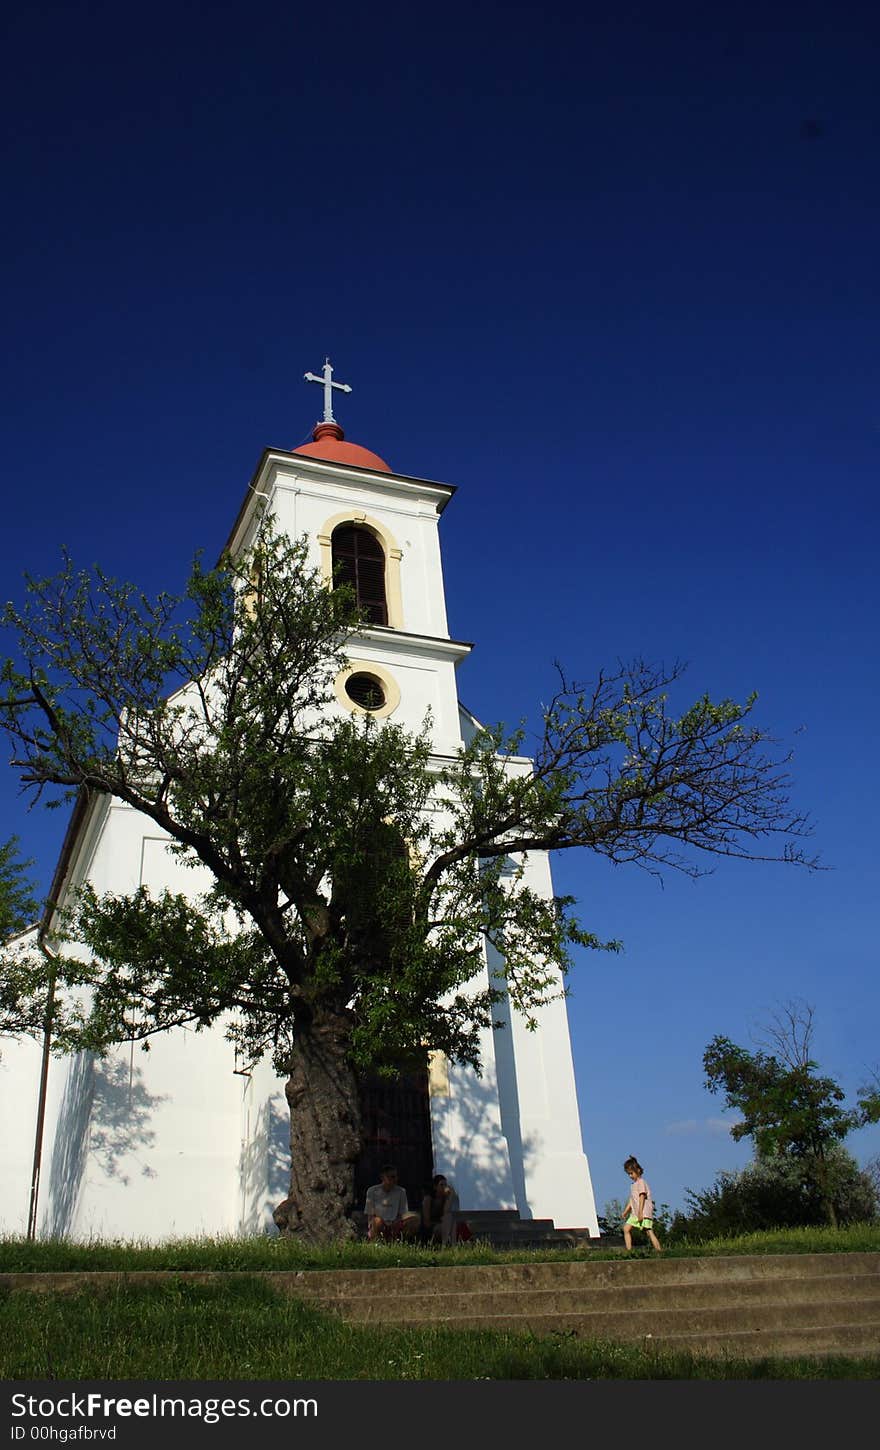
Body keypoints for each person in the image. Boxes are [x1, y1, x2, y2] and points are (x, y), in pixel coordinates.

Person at [364, 1165, 420, 1242]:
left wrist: (395, 1224)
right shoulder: (372, 1191)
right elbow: (370, 1215)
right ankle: (377, 1243)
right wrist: (372, 1226)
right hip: (380, 1224)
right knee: (377, 1221)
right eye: (392, 1177)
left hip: (394, 1224)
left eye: (396, 1176)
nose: (395, 1179)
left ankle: (401, 1241)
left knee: (415, 1219)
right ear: (382, 1177)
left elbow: (402, 1214)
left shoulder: (401, 1191)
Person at [621, 1155, 663, 1252]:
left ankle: (659, 1250)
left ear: (638, 1171)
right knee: (626, 1229)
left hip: (643, 1212)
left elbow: (642, 1197)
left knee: (648, 1231)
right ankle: (629, 1251)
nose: (630, 1176)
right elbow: (632, 1200)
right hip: (635, 1213)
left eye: (631, 1173)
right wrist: (625, 1212)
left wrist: (640, 1213)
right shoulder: (633, 1185)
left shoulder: (641, 1182)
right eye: (628, 1174)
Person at [420, 1172, 460, 1246]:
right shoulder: (428, 1199)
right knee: (446, 1226)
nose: (444, 1187)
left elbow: (446, 1212)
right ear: (435, 1187)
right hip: (431, 1228)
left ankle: (453, 1246)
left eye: (445, 1185)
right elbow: (426, 1222)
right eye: (441, 1185)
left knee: (453, 1223)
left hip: (444, 1224)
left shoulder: (445, 1199)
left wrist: (450, 1197)